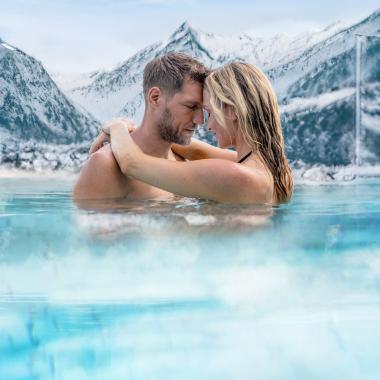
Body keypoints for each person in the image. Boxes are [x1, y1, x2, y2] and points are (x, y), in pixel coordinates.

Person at [102, 62, 293, 205]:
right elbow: (196, 151)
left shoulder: (236, 176)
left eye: (209, 112)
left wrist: (116, 127)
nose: (207, 125)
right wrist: (139, 132)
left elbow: (131, 164)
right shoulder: (277, 169)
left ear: (232, 110)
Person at [72, 52, 208, 201]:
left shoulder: (183, 159)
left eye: (203, 109)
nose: (200, 120)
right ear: (155, 98)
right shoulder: (105, 165)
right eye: (191, 106)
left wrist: (118, 129)